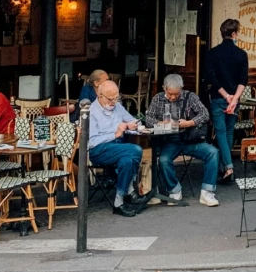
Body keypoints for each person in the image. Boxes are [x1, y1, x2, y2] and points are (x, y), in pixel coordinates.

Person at [147, 74, 220, 207]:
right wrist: (161, 123)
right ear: (164, 88)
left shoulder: (190, 96)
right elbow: (148, 119)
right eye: (170, 94)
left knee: (213, 152)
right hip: (171, 140)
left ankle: (207, 192)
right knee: (163, 160)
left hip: (190, 138)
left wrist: (190, 122)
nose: (173, 97)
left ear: (181, 88)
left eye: (176, 94)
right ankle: (174, 190)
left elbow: (205, 114)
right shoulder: (157, 99)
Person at [86, 80, 145, 217]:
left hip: (119, 148)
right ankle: (130, 191)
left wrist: (132, 124)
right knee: (136, 150)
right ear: (99, 96)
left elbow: (134, 120)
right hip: (100, 150)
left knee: (127, 161)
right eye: (110, 99)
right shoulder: (91, 112)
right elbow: (92, 142)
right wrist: (115, 133)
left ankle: (118, 202)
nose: (114, 102)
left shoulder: (117, 106)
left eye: (116, 98)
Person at [203, 19, 249, 181]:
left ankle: (227, 167)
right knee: (229, 131)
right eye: (238, 32)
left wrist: (226, 96)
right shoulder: (242, 54)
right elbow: (243, 79)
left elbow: (211, 78)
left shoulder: (212, 53)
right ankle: (227, 166)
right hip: (234, 99)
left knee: (221, 132)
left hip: (218, 97)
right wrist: (234, 98)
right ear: (234, 34)